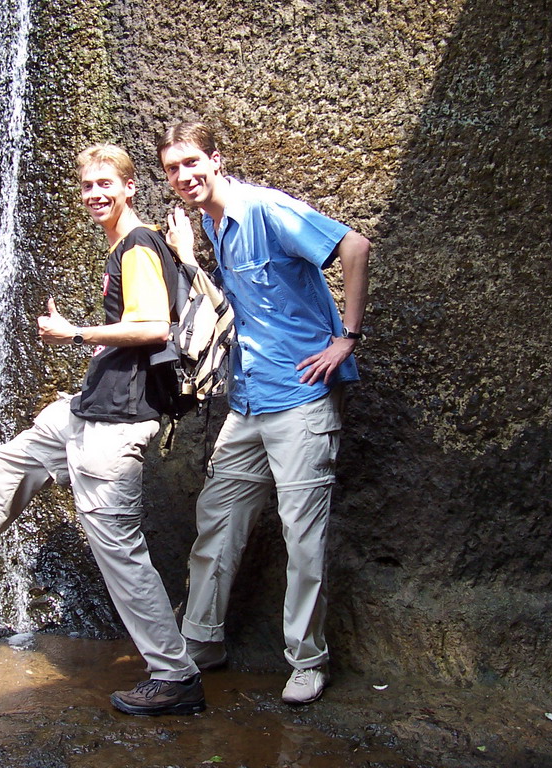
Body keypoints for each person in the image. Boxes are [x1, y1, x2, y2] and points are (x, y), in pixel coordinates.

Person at [0, 144, 205, 717]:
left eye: (106, 183)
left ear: (129, 187)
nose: (95, 194)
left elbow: (154, 326)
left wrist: (73, 332)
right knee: (11, 459)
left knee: (120, 555)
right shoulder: (140, 242)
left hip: (116, 428)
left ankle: (175, 675)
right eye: (87, 186)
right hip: (89, 411)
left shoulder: (135, 246)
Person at [157, 122, 370, 704]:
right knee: (217, 517)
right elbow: (232, 308)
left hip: (301, 398)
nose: (184, 176)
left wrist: (346, 337)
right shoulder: (211, 224)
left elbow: (355, 246)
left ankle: (307, 660)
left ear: (216, 159)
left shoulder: (267, 209)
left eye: (192, 162)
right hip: (248, 399)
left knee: (304, 535)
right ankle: (200, 641)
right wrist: (186, 256)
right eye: (173, 168)